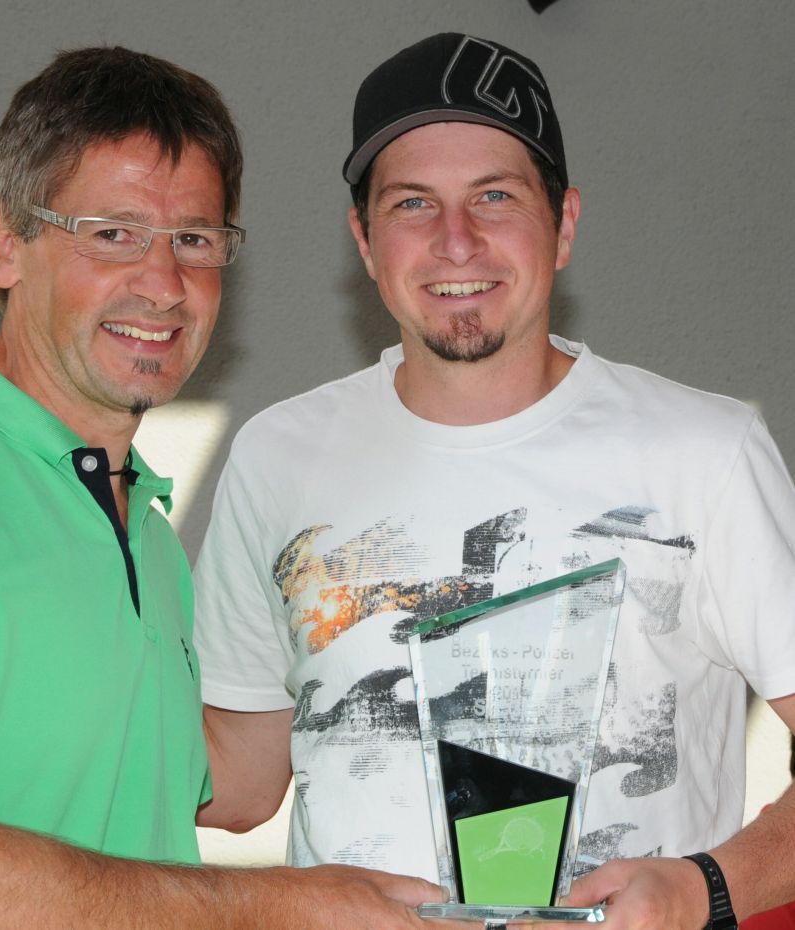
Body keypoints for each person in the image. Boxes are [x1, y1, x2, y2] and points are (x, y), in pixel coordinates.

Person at [0, 46, 444, 930]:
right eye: (112, 233)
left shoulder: (143, 529)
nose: (164, 284)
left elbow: (235, 785)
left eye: (195, 240)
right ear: (5, 244)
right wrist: (280, 907)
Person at [193, 32, 795, 930]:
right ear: (364, 241)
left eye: (495, 196)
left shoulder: (704, 453)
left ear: (564, 224)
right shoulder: (278, 456)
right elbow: (238, 785)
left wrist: (707, 888)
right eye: (412, 203)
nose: (456, 240)